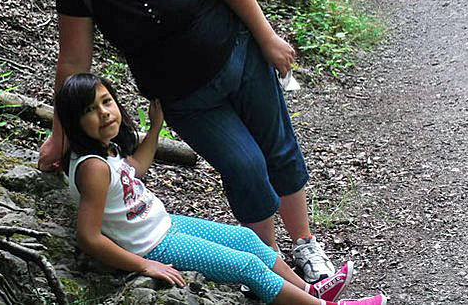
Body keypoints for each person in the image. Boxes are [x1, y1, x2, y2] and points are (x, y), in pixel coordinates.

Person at [40, 0, 331, 282]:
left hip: (240, 58)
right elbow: (73, 64)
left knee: (278, 150)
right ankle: (272, 267)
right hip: (183, 98)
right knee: (244, 166)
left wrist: (266, 38)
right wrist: (59, 132)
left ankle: (305, 247)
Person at [54, 73, 388, 305]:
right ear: (73, 120)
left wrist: (154, 130)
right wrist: (143, 265)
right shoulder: (93, 167)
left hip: (162, 224)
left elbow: (134, 172)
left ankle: (308, 291)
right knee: (247, 266)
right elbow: (89, 236)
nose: (103, 113)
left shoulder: (105, 151)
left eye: (106, 101)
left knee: (246, 239)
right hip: (151, 246)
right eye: (89, 110)